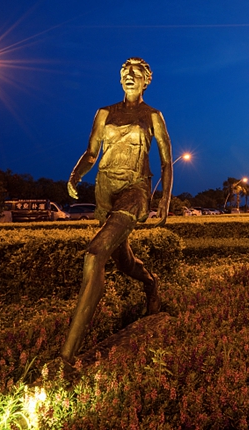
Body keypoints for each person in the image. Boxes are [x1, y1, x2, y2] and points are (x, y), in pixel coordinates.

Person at [61, 57, 172, 362]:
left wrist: (164, 199)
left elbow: (165, 161)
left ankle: (66, 358)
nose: (129, 76)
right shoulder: (104, 113)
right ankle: (150, 283)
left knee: (96, 253)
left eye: (136, 73)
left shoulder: (152, 116)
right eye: (125, 72)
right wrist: (76, 174)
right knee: (122, 259)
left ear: (146, 80)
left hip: (136, 191)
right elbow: (91, 151)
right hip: (106, 191)